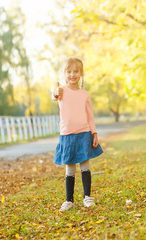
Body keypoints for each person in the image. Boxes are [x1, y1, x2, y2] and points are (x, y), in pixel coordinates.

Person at [52, 57, 103, 212]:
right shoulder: (61, 91)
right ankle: (69, 200)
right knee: (70, 168)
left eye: (76, 71)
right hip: (67, 134)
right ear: (64, 74)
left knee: (85, 166)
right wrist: (55, 93)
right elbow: (54, 95)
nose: (72, 74)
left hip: (83, 133)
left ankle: (87, 197)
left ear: (81, 74)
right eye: (69, 72)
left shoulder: (84, 94)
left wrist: (94, 132)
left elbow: (90, 115)